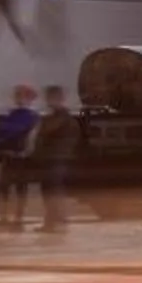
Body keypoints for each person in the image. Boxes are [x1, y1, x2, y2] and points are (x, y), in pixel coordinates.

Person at [29, 84, 83, 231]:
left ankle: (57, 222)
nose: (49, 101)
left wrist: (58, 154)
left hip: (56, 160)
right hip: (48, 160)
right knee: (48, 191)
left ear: (59, 99)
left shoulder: (64, 119)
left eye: (52, 97)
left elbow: (69, 141)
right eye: (48, 98)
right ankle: (52, 221)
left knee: (54, 191)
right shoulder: (53, 118)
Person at [0, 85, 40, 228]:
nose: (20, 98)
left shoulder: (30, 117)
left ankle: (17, 217)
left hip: (21, 158)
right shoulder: (13, 116)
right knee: (5, 188)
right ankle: (7, 216)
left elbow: (7, 132)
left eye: (23, 96)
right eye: (18, 95)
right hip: (10, 158)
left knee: (18, 188)